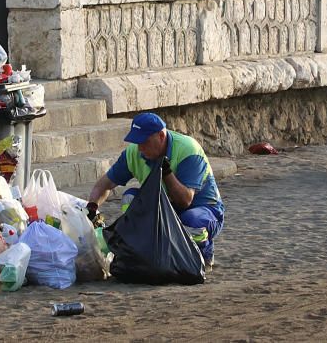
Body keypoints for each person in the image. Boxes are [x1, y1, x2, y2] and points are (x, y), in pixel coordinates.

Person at [87, 112, 225, 266]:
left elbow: (185, 200)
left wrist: (166, 172)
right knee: (129, 198)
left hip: (203, 210)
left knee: (191, 220)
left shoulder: (188, 150)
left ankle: (203, 255)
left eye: (144, 142)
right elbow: (103, 185)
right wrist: (92, 208)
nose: (140, 148)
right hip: (165, 211)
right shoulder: (134, 153)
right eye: (137, 142)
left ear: (160, 136)